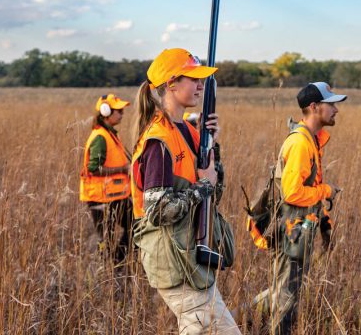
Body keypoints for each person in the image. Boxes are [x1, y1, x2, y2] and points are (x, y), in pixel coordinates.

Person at [131, 48, 240, 334]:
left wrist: (212, 146)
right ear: (171, 83)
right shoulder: (159, 140)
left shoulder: (189, 132)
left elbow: (214, 194)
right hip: (175, 263)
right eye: (193, 78)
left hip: (189, 259)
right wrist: (203, 185)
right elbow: (157, 211)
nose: (201, 85)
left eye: (201, 79)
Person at [253, 82, 346, 334]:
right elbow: (293, 193)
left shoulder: (311, 140)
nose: (336, 109)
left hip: (298, 231)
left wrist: (325, 224)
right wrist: (327, 191)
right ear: (314, 107)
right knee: (286, 300)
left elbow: (307, 187)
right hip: (290, 233)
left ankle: (240, 317)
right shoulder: (301, 143)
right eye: (331, 104)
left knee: (284, 290)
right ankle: (238, 319)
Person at [79, 94, 133, 263]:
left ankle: (116, 262)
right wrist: (123, 169)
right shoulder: (100, 137)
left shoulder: (110, 134)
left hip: (116, 195)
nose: (122, 113)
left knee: (136, 226)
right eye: (119, 111)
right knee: (105, 238)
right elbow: (93, 169)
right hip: (101, 197)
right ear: (106, 112)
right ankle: (108, 270)